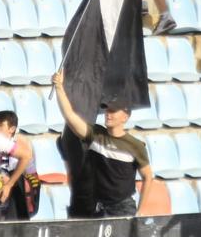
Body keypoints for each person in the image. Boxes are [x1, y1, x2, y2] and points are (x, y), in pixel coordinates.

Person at [53, 70, 155, 218]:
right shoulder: (96, 134)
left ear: (125, 116)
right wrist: (59, 88)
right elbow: (70, 116)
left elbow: (148, 177)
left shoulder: (136, 145)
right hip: (99, 209)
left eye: (114, 110)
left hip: (123, 210)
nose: (108, 113)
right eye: (107, 108)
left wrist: (141, 212)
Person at [0, 111, 40, 221]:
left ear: (12, 129)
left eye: (0, 125)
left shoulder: (21, 146)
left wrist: (7, 181)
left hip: (17, 197)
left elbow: (28, 173)